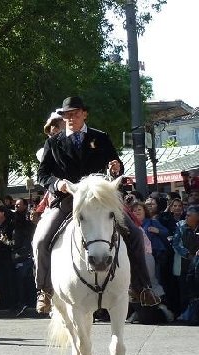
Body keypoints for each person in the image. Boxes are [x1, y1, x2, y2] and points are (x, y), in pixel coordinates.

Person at [34, 96, 161, 313]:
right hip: (69, 199)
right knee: (42, 239)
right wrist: (58, 184)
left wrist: (115, 169)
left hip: (100, 198)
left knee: (136, 235)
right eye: (66, 115)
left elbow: (115, 166)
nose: (70, 118)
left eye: (74, 114)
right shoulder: (53, 142)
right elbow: (42, 174)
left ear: (84, 114)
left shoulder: (100, 137)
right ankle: (44, 291)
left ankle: (142, 287)